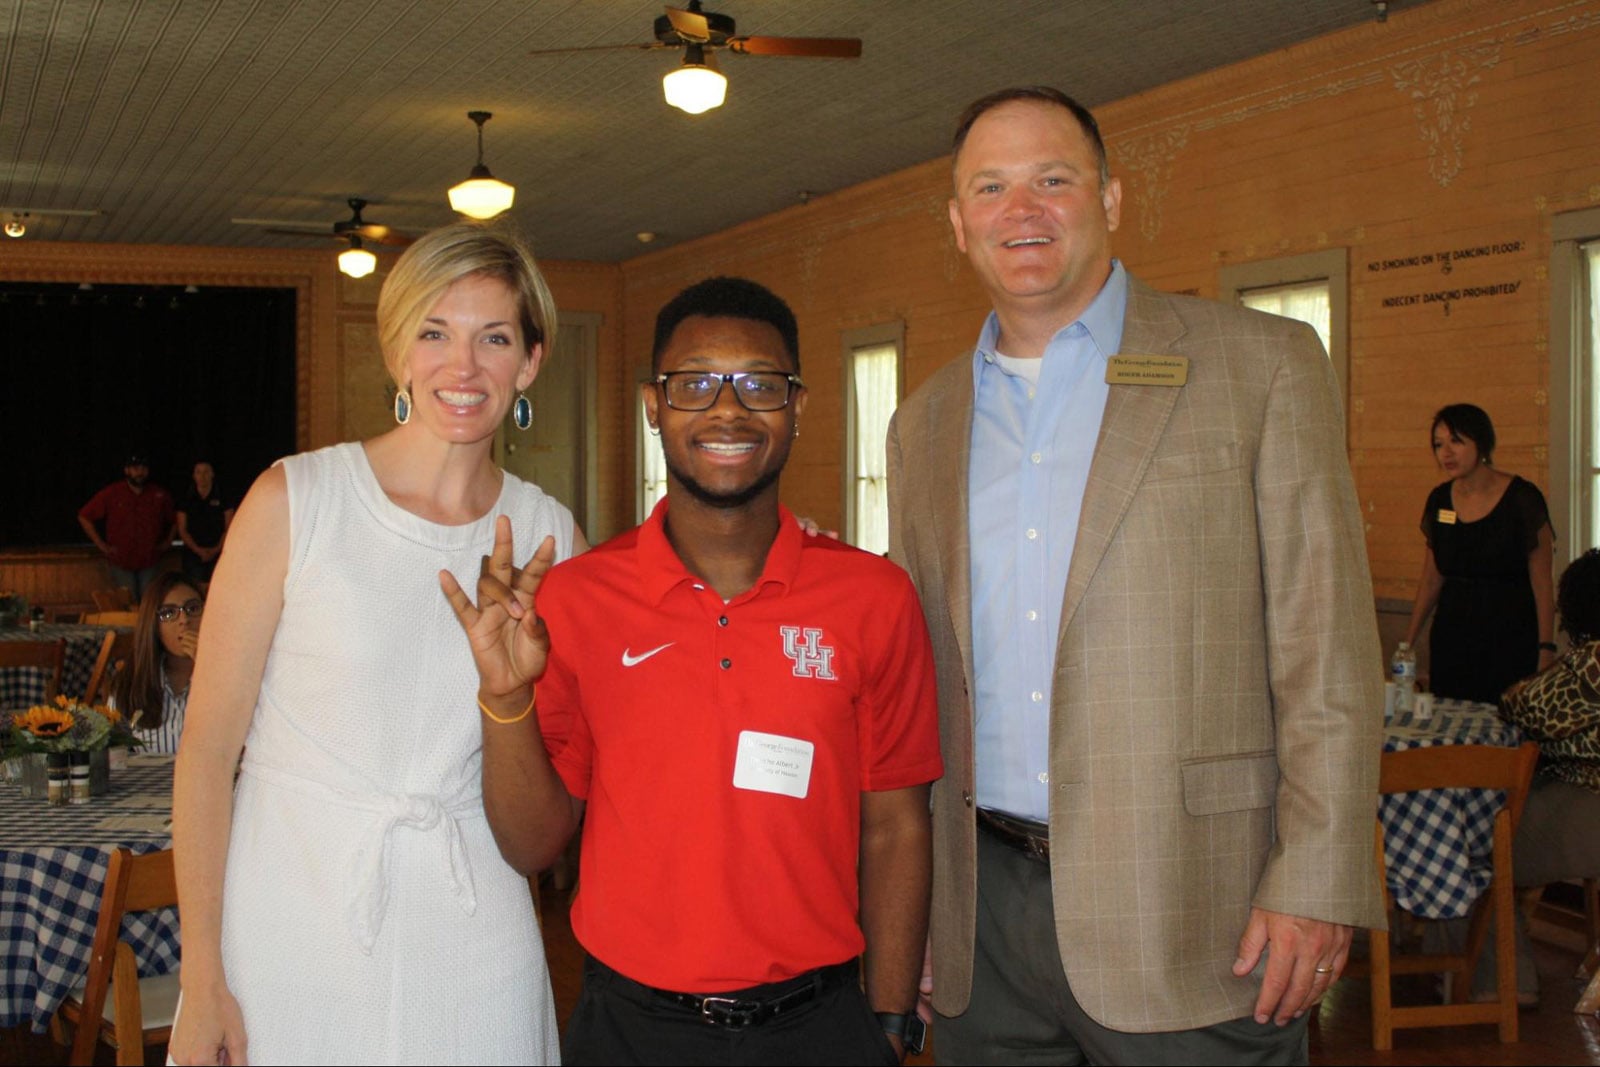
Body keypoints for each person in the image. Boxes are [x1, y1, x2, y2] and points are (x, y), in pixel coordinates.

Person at [886, 86, 1384, 1064]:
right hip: (981, 916)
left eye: (1052, 179)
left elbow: (1325, 646)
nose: (1021, 210)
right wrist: (918, 908)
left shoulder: (1260, 366)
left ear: (1109, 198)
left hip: (1199, 908)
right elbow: (919, 674)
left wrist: (1318, 878)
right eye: (990, 187)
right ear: (956, 221)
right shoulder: (925, 420)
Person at [444, 276, 943, 1065]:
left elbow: (897, 826)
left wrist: (888, 1023)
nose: (727, 407)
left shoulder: (872, 597)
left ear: (798, 407)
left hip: (818, 1024)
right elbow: (533, 845)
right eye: (695, 382)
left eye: (759, 383)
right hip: (628, 1028)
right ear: (653, 405)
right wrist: (504, 696)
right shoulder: (577, 598)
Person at [169, 223, 579, 1065]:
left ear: (530, 362)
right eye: (434, 332)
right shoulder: (297, 499)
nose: (461, 368)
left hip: (475, 923)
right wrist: (203, 975)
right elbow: (207, 752)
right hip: (294, 913)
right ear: (397, 351)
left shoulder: (549, 534)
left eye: (493, 338)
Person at [1482, 546, 1600, 1001]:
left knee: (1483, 842)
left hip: (1589, 807)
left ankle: (1502, 983)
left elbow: (1526, 707)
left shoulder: (1591, 664)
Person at [1404, 403, 1556, 703]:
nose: (1445, 452)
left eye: (1456, 441)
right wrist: (1407, 642)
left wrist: (1546, 649)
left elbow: (1542, 584)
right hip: (1452, 636)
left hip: (1510, 636)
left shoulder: (1522, 499)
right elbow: (1431, 581)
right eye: (1438, 444)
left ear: (1482, 442)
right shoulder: (1439, 500)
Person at [109, 572, 204, 755]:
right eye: (169, 613)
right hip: (144, 783)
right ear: (153, 625)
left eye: (193, 608)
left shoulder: (232, 679)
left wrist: (207, 666)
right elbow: (112, 755)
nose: (184, 620)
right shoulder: (130, 682)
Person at [78, 454, 175, 601]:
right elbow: (84, 516)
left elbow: (176, 519)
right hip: (121, 561)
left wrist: (168, 541)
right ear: (127, 471)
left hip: (149, 559)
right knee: (128, 604)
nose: (139, 473)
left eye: (143, 468)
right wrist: (101, 545)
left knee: (149, 602)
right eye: (135, 469)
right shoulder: (112, 493)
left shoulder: (159, 494)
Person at [177, 460, 234, 589]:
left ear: (212, 474)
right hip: (193, 555)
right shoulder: (186, 498)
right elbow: (182, 530)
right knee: (194, 591)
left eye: (206, 472)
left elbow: (229, 527)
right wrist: (199, 551)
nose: (202, 476)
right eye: (198, 472)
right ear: (194, 475)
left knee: (218, 590)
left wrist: (216, 549)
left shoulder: (223, 496)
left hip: (219, 553)